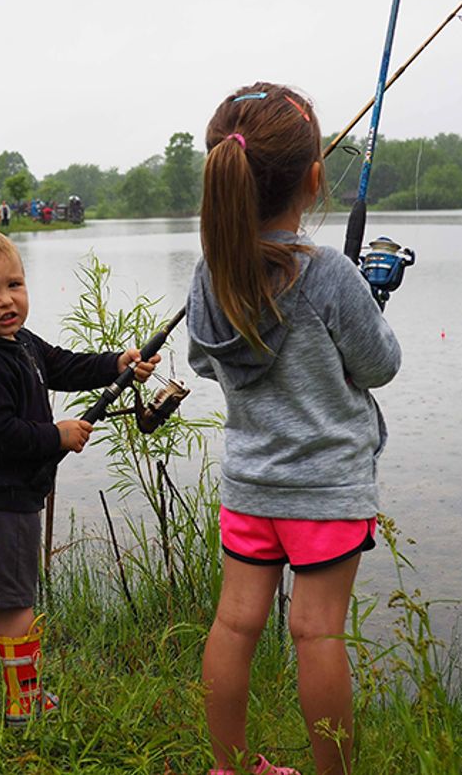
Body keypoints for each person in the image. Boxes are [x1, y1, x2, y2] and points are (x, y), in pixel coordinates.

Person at [186, 84, 401, 775]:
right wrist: (368, 298)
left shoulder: (209, 270)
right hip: (327, 490)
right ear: (314, 179)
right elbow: (380, 365)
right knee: (317, 634)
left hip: (249, 487)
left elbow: (202, 359)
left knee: (234, 624)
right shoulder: (329, 272)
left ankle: (228, 766)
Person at [0, 227, 158, 724]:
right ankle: (23, 706)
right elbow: (0, 434)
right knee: (14, 607)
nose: (5, 301)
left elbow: (60, 365)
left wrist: (116, 363)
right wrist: (57, 436)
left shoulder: (14, 341)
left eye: (14, 284)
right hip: (0, 507)